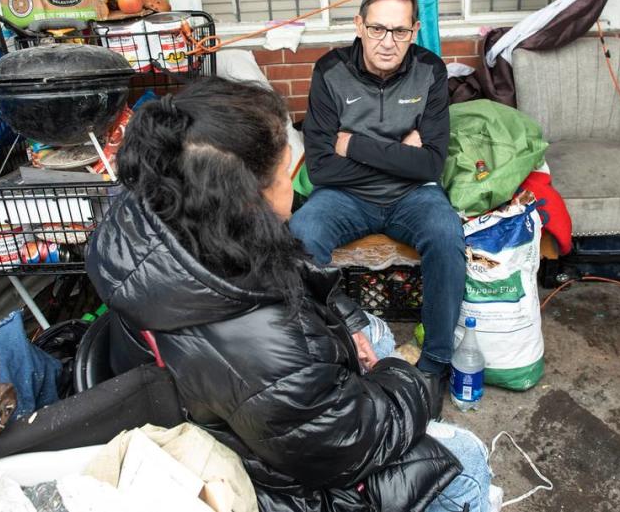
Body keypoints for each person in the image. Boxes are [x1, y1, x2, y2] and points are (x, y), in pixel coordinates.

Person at [86, 78, 491, 512]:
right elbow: (348, 444)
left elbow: (291, 277)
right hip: (280, 481)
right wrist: (405, 378)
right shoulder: (272, 346)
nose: (292, 181)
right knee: (465, 457)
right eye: (285, 172)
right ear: (247, 198)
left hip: (236, 403)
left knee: (370, 328)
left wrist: (347, 324)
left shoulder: (156, 216)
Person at [289, 0, 465, 417]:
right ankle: (329, 354)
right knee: (300, 236)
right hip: (345, 196)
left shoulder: (430, 71)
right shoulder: (329, 71)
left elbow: (430, 166)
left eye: (400, 32)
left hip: (413, 197)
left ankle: (435, 365)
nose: (388, 43)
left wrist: (355, 144)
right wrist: (402, 151)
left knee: (446, 236)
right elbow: (321, 167)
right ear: (359, 25)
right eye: (378, 29)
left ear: (414, 30)